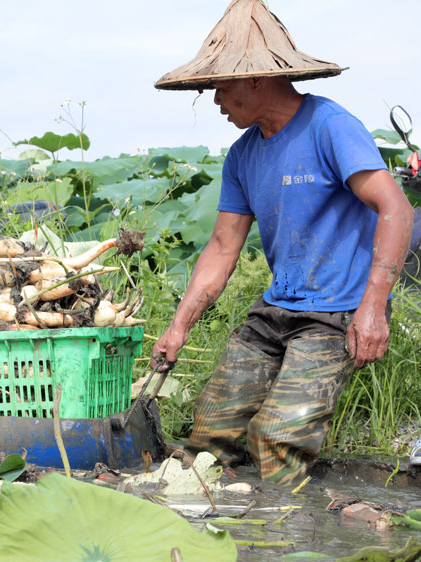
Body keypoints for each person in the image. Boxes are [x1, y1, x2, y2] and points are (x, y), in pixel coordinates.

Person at [150, 0, 414, 484]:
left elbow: (396, 209)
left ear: (256, 78)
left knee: (275, 439)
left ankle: (288, 534)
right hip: (278, 309)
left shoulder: (329, 126)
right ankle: (218, 533)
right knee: (208, 437)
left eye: (222, 88)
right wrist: (178, 325)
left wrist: (373, 307)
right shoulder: (243, 155)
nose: (216, 102)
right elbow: (223, 247)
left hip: (338, 312)